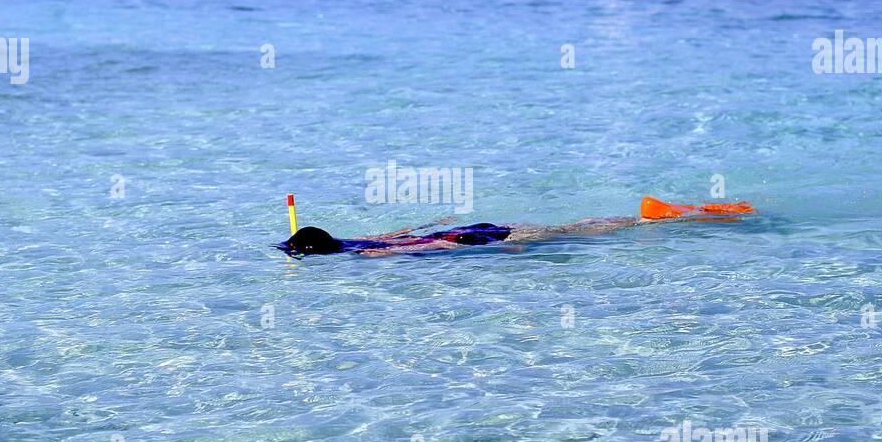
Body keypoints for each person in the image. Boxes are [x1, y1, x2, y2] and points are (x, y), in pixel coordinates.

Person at [277, 197, 755, 258]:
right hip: (474, 226)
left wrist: (498, 254)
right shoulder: (366, 240)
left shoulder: (366, 254)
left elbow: (421, 250)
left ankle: (678, 216)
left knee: (580, 233)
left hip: (474, 237)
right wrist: (437, 222)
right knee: (574, 225)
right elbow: (406, 232)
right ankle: (688, 211)